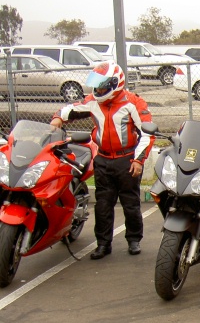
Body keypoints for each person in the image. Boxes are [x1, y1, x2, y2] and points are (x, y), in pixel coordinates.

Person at [50, 61, 155, 259]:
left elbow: (147, 133)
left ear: (115, 83)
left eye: (102, 85)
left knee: (130, 203)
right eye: (96, 86)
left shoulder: (133, 102)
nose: (98, 90)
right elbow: (68, 110)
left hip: (126, 159)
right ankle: (103, 244)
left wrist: (138, 160)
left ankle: (134, 240)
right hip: (103, 159)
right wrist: (57, 118)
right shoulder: (93, 101)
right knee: (103, 205)